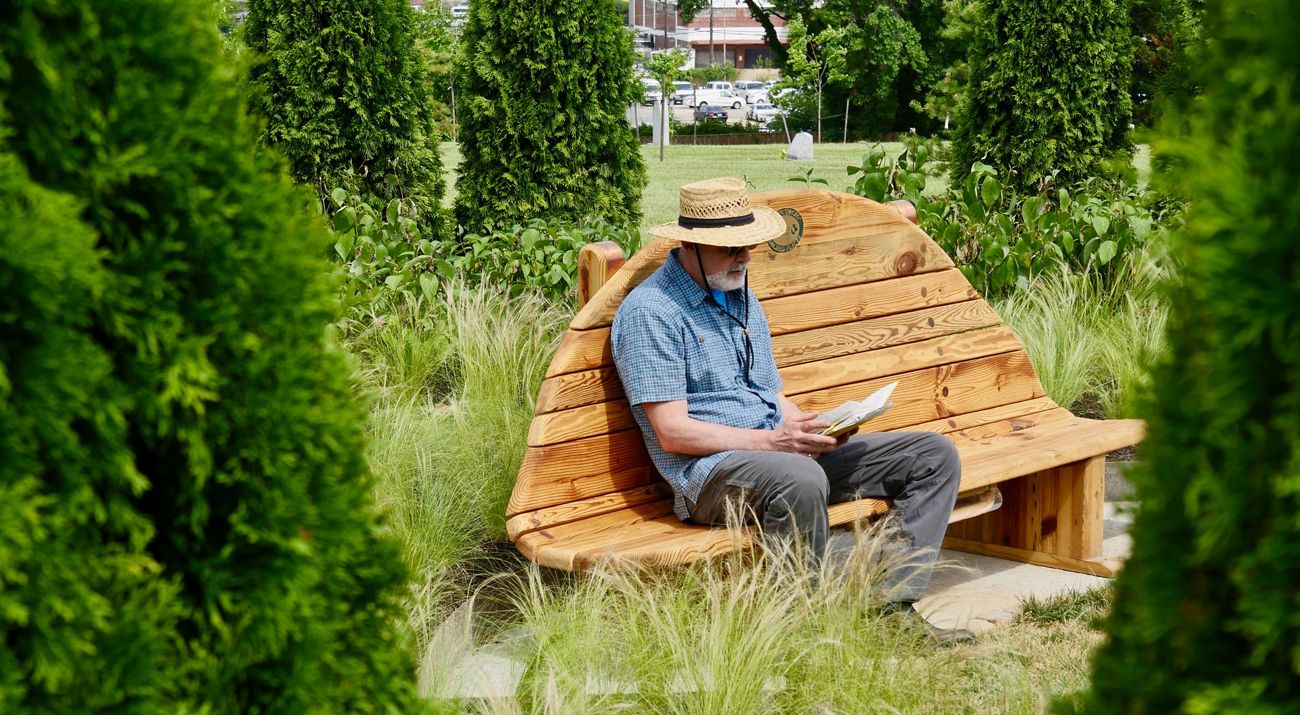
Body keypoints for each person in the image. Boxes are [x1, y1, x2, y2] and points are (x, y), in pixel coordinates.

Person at [611, 177, 973, 644]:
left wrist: (812, 425)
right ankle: (801, 635)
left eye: (749, 245)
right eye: (731, 248)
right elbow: (672, 432)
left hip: (777, 454)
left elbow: (766, 394)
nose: (745, 257)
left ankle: (890, 606)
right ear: (690, 244)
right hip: (710, 475)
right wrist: (772, 442)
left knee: (932, 456)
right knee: (801, 479)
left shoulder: (737, 293)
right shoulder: (651, 313)